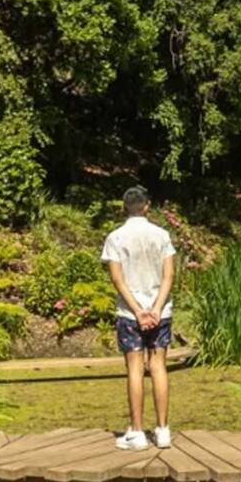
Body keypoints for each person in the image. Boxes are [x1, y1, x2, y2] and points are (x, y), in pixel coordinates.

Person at [102, 186, 177, 450]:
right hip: (160, 311)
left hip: (129, 313)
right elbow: (169, 275)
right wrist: (155, 309)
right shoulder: (161, 234)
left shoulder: (115, 237)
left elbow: (117, 279)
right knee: (158, 367)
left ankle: (136, 432)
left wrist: (137, 310)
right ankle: (163, 429)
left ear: (125, 207)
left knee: (134, 369)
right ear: (147, 206)